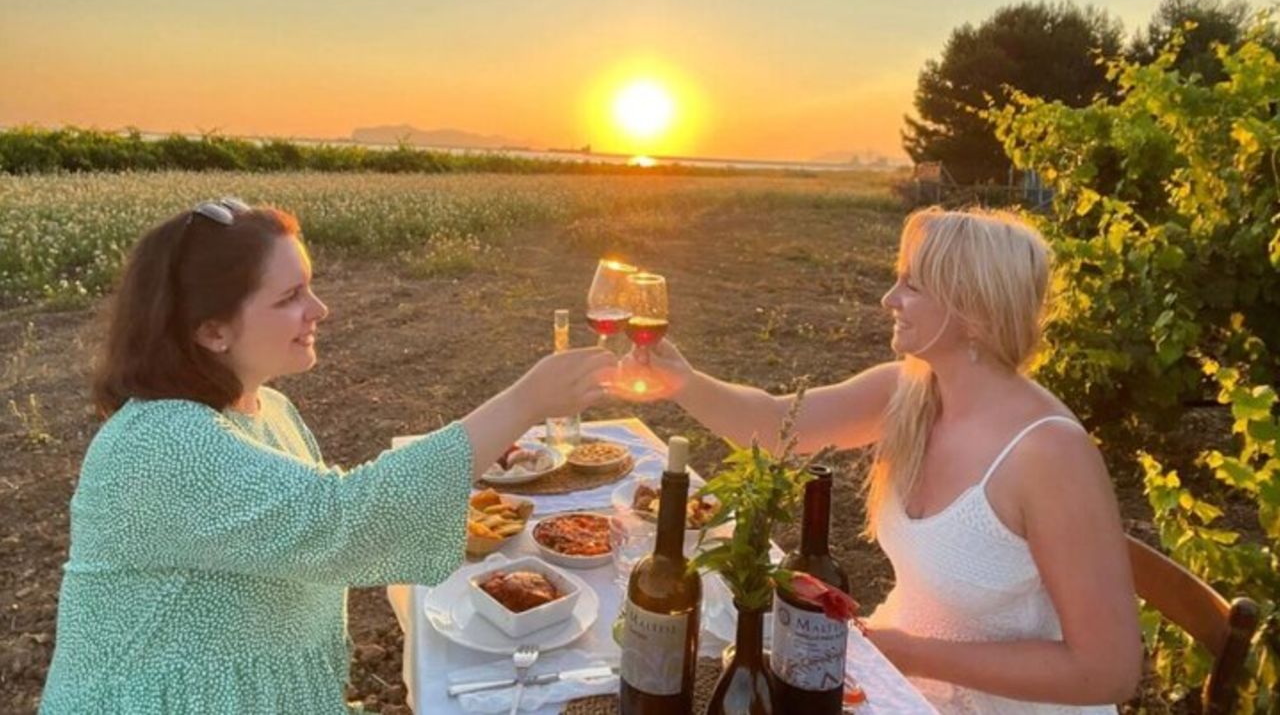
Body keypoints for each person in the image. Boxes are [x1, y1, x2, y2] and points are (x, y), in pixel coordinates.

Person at [40, 197, 615, 713]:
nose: (319, 309)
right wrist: (524, 402)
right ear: (213, 332)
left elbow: (318, 533)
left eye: (309, 287)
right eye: (290, 297)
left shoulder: (268, 408)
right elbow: (343, 521)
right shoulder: (161, 442)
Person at [615, 206, 1142, 713]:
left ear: (975, 313)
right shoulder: (909, 392)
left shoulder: (1048, 454)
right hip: (893, 681)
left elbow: (1108, 670)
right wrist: (682, 382)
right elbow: (778, 428)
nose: (890, 299)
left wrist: (908, 654)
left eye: (913, 285)